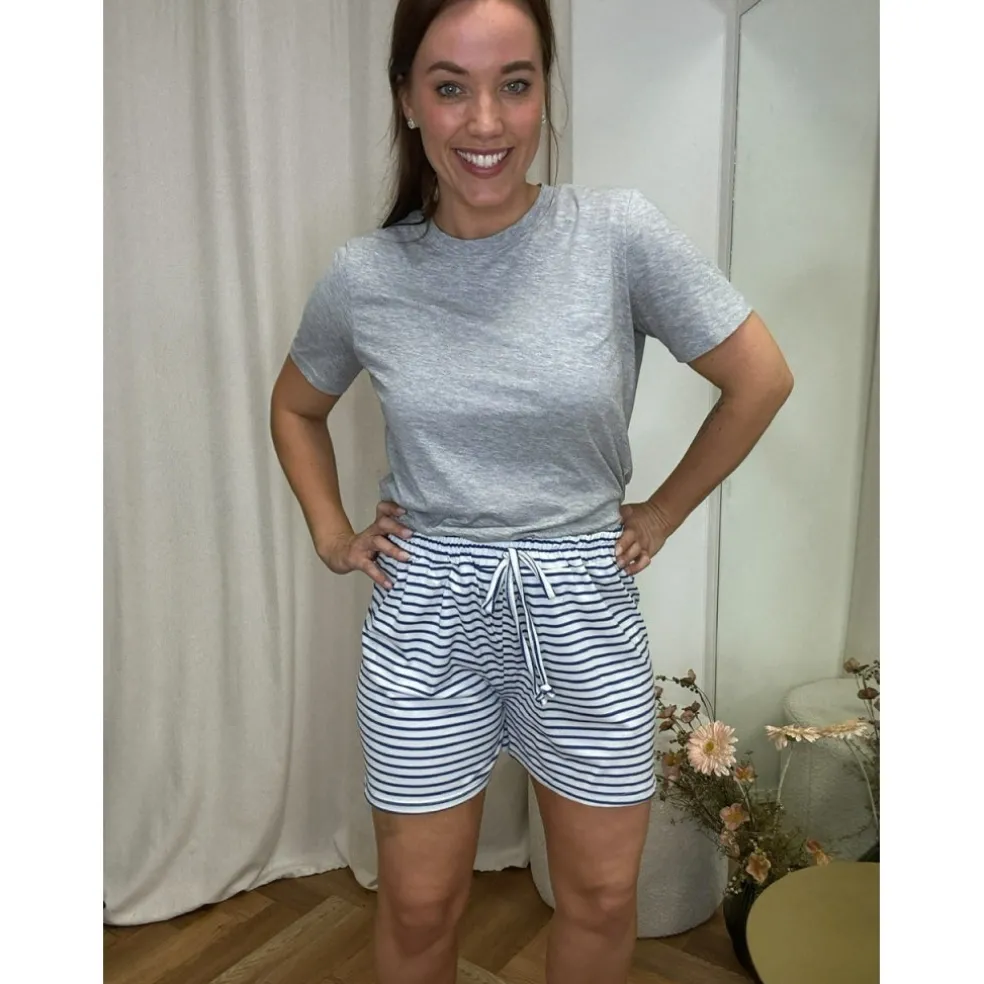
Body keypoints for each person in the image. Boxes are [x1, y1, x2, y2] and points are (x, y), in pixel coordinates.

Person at [270, 0, 793, 981]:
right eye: (450, 87)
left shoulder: (616, 235)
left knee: (599, 899)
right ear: (407, 99)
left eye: (515, 83)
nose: (486, 121)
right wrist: (334, 534)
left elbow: (759, 378)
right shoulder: (366, 275)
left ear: (545, 89)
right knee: (418, 907)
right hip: (426, 614)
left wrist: (663, 511)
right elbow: (295, 407)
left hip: (581, 605)